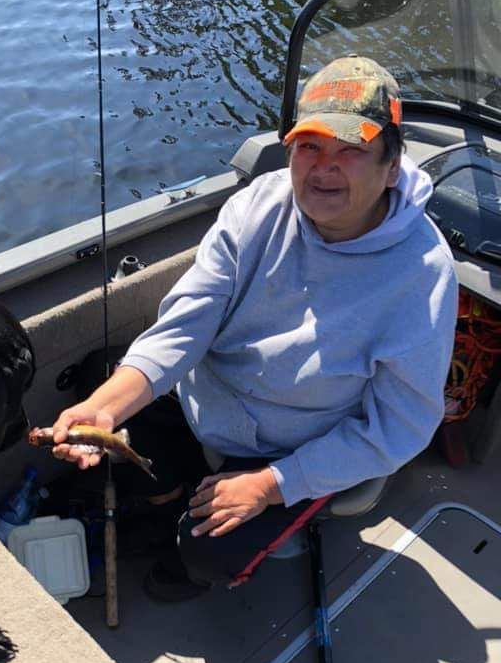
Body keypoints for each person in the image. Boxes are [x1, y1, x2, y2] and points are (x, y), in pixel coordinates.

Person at [52, 55, 459, 601]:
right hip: (208, 400)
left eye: (351, 151)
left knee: (208, 551)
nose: (323, 168)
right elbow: (188, 321)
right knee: (98, 378)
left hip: (291, 449)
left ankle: (197, 558)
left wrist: (271, 486)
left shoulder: (424, 274)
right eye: (309, 146)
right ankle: (169, 491)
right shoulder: (257, 205)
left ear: (391, 168)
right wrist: (104, 409)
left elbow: (400, 427)